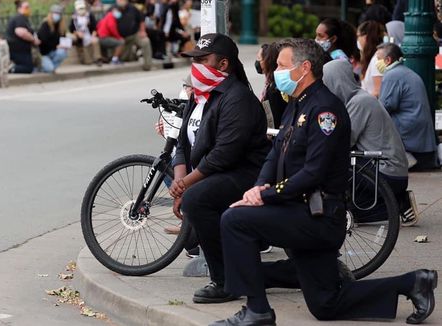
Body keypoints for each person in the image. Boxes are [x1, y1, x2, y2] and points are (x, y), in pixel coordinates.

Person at [211, 38, 438, 326]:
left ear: (304, 68)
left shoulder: (325, 110)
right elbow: (276, 152)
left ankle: (258, 311)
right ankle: (414, 282)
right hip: (302, 212)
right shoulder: (297, 104)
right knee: (325, 304)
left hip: (317, 217)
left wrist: (266, 197)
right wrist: (258, 186)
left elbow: (313, 174)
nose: (275, 72)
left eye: (281, 65)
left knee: (234, 220)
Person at [169, 33, 270, 304]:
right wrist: (179, 181)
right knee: (192, 196)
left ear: (223, 64)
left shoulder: (237, 98)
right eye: (194, 61)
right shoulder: (200, 96)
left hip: (244, 173)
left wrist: (186, 185)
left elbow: (224, 155)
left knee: (197, 200)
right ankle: (234, 272)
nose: (196, 66)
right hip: (215, 173)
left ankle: (225, 280)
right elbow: (182, 144)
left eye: (203, 60)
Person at [322, 59, 418, 225]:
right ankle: (397, 202)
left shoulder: (359, 103)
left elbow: (343, 141)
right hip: (391, 171)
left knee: (333, 167)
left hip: (387, 172)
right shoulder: (359, 98)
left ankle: (396, 206)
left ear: (336, 81)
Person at [377, 43, 439, 171]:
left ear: (388, 60)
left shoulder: (392, 75)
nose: (376, 63)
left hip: (408, 132)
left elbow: (385, 106)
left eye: (378, 59)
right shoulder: (405, 71)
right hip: (419, 132)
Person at [255, 43, 287, 128]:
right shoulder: (269, 83)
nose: (257, 62)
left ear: (268, 60)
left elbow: (272, 119)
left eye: (259, 58)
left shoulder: (274, 89)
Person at [115, 0, 153, 70]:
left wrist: (142, 31)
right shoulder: (113, 9)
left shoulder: (133, 8)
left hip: (134, 35)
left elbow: (141, 19)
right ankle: (132, 57)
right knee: (124, 58)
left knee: (145, 41)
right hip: (120, 38)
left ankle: (147, 66)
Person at [6, 0, 39, 74]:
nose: (28, 9)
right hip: (17, 50)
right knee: (28, 68)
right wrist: (33, 40)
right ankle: (11, 68)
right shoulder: (20, 18)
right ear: (19, 8)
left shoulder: (23, 18)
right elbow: (21, 32)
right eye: (26, 7)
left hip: (21, 50)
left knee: (29, 66)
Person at [69, 0, 103, 66]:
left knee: (95, 41)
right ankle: (88, 59)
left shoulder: (90, 16)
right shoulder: (74, 18)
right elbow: (71, 29)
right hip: (81, 39)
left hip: (89, 36)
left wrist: (93, 35)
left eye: (82, 8)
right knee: (88, 62)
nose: (81, 10)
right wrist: (77, 33)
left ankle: (98, 59)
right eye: (79, 9)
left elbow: (95, 28)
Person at [37, 4, 68, 73]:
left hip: (54, 52)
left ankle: (50, 68)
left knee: (63, 52)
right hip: (44, 53)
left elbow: (63, 38)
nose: (57, 15)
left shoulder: (61, 27)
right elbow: (43, 40)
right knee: (49, 69)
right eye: (55, 13)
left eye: (59, 14)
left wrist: (65, 45)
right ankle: (43, 68)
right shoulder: (45, 25)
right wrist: (56, 46)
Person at [357, 20, 385, 97]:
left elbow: (378, 91)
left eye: (358, 36)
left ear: (365, 37)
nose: (358, 40)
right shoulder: (373, 57)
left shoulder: (377, 59)